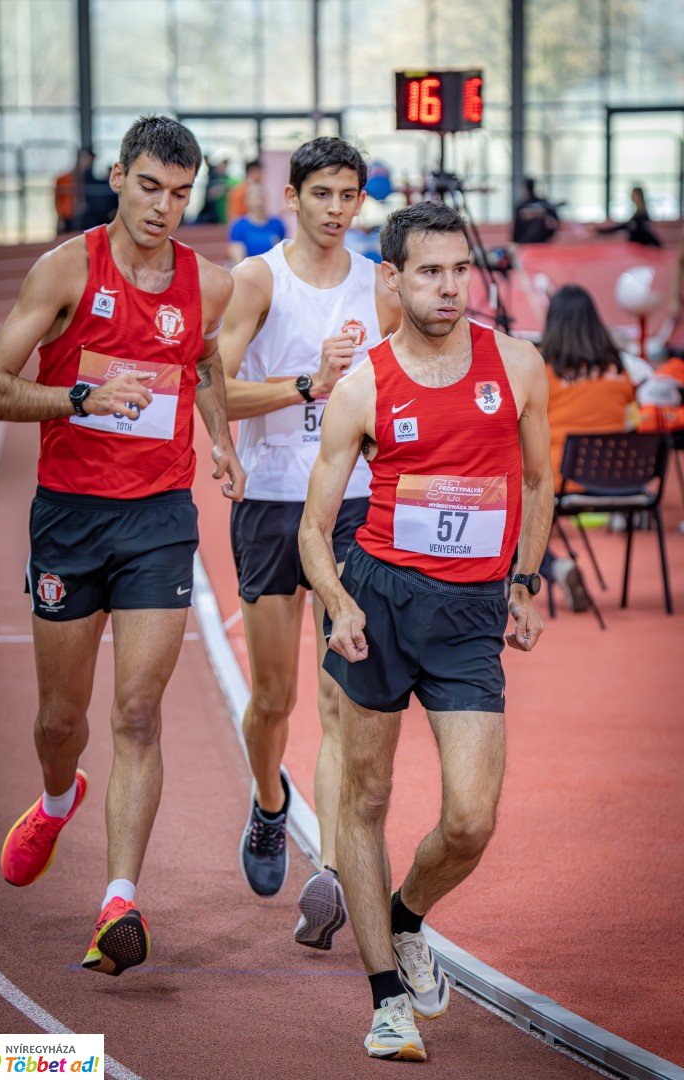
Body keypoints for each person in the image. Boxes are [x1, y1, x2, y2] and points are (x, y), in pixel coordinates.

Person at [0, 114, 245, 976]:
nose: (165, 206)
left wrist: (222, 438)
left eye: (181, 191)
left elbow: (203, 365)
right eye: (150, 186)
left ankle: (119, 901)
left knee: (136, 712)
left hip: (160, 517)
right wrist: (81, 399)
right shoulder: (67, 268)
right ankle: (58, 799)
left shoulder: (209, 282)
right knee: (64, 720)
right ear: (120, 178)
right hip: (70, 515)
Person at [299, 201, 553, 1061]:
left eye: (458, 270)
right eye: (429, 272)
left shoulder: (517, 364)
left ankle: (407, 915)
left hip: (470, 616)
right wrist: (339, 605)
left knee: (472, 819)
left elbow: (543, 482)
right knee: (363, 803)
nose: (449, 287)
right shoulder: (365, 383)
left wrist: (525, 580)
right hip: (381, 603)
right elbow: (314, 525)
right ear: (394, 279)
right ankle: (384, 1000)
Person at [219, 136, 400, 948]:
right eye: (321, 194)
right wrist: (308, 384)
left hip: (353, 508)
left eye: (349, 195)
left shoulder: (380, 286)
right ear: (291, 196)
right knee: (274, 699)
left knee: (337, 699)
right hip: (270, 505)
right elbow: (214, 390)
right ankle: (268, 805)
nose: (336, 209)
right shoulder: (259, 278)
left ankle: (329, 871)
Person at [539, 284, 637, 607]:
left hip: (560, 482)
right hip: (621, 480)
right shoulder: (620, 370)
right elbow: (632, 421)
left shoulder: (542, 371)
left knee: (504, 508)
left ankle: (556, 566)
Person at [228, 182, 286, 264]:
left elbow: (282, 253)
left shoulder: (277, 224)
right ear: (246, 200)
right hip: (248, 271)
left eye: (261, 196)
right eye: (254, 197)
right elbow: (237, 255)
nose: (258, 201)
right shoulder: (239, 226)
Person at [595, 185, 662, 247]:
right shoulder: (638, 215)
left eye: (633, 195)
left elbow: (645, 234)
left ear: (638, 197)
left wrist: (658, 246)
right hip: (636, 247)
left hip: (639, 248)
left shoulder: (641, 217)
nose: (631, 197)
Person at [512, 177, 560, 244]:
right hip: (525, 241)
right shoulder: (522, 206)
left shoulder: (545, 205)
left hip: (540, 241)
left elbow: (553, 224)